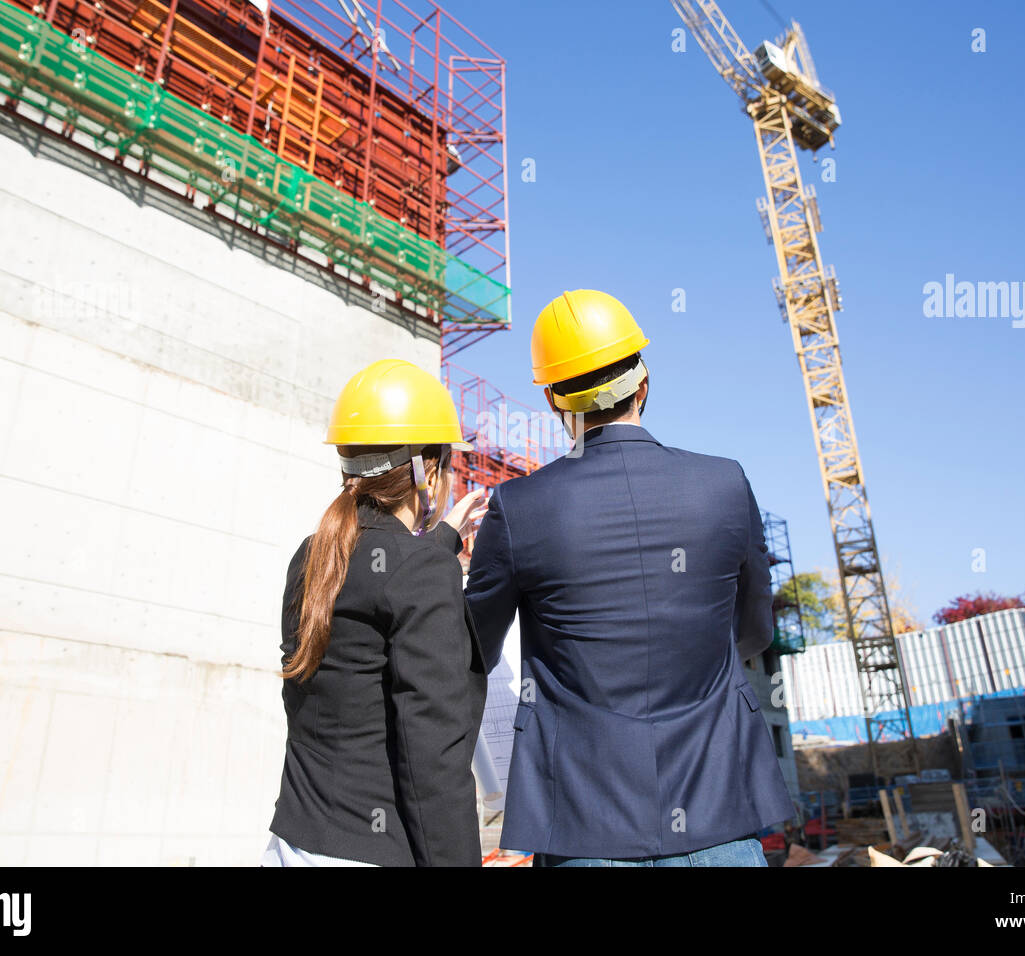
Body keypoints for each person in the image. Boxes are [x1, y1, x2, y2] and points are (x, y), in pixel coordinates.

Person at [463, 289, 794, 867]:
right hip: (719, 828)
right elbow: (754, 632)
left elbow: (473, 652)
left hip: (584, 831)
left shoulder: (519, 507)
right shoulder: (724, 485)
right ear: (643, 383)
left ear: (553, 401)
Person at [263, 359, 487, 867]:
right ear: (425, 469)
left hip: (294, 845)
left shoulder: (312, 554)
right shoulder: (419, 572)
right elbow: (434, 758)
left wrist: (439, 544)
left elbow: (376, 583)